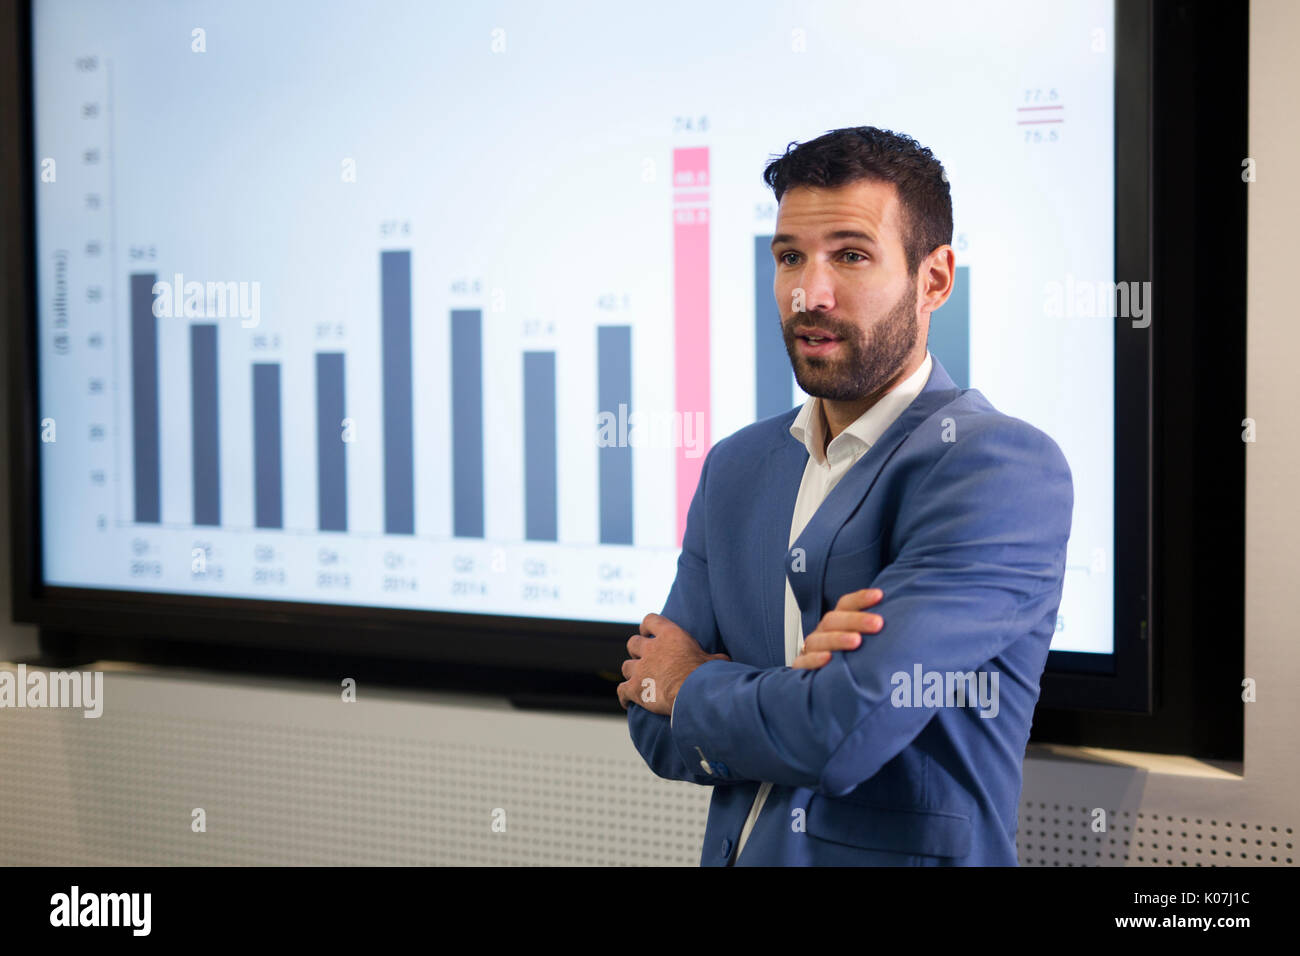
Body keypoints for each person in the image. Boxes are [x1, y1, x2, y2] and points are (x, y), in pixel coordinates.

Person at [617, 127, 1073, 866]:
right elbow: (649, 717)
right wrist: (781, 694)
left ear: (935, 280)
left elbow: (839, 733)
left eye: (851, 256)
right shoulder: (736, 468)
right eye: (790, 256)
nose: (809, 292)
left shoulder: (998, 468)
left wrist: (694, 683)